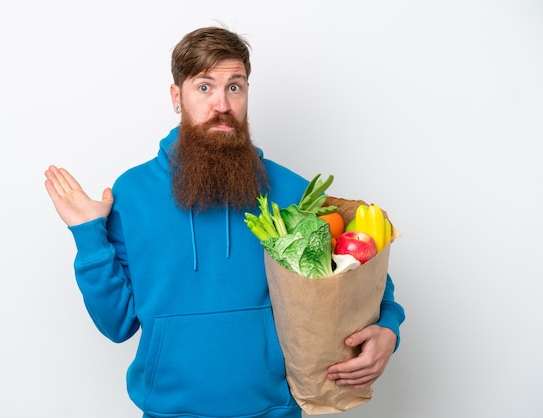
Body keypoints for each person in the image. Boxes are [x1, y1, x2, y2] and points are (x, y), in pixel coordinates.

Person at [44, 26, 405, 418]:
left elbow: (358, 278)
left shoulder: (292, 191)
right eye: (204, 87)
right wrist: (88, 235)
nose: (222, 104)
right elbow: (117, 324)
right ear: (176, 97)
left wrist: (388, 327)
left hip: (276, 411)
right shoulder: (132, 194)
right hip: (168, 412)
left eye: (235, 87)